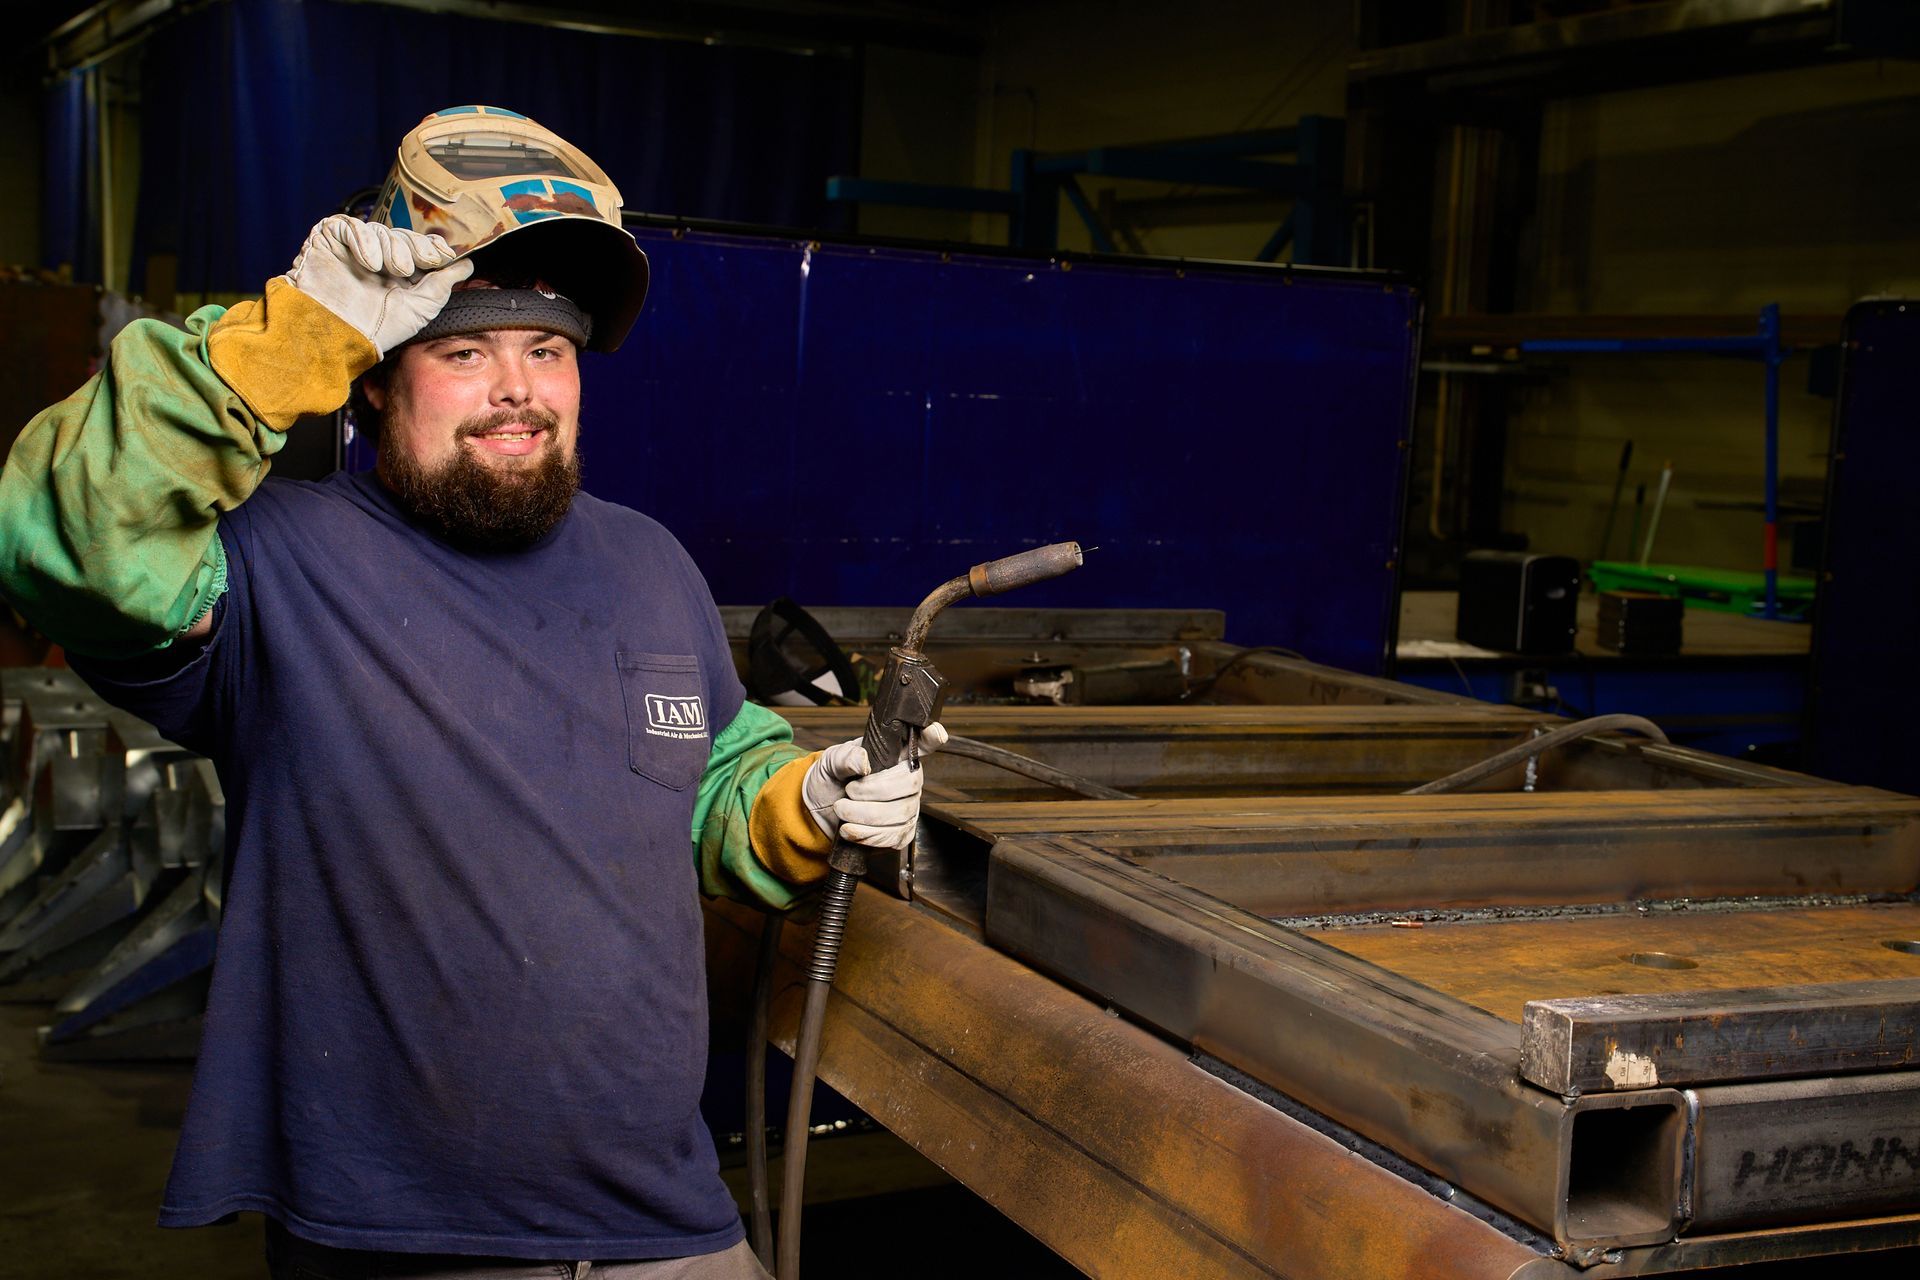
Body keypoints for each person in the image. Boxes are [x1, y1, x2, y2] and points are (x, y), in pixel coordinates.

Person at [0, 106, 942, 1279]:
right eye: (463, 350)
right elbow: (67, 532)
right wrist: (288, 336)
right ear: (375, 384)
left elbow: (706, 774)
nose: (518, 388)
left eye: (548, 349)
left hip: (668, 1221)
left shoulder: (649, 560)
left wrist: (803, 796)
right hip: (400, 1238)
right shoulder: (274, 564)